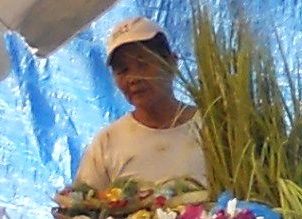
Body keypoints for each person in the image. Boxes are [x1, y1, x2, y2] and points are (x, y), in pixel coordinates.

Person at [72, 15, 207, 193]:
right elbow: (82, 210)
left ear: (172, 63)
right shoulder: (107, 144)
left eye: (143, 64)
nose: (133, 78)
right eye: (123, 70)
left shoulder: (212, 130)